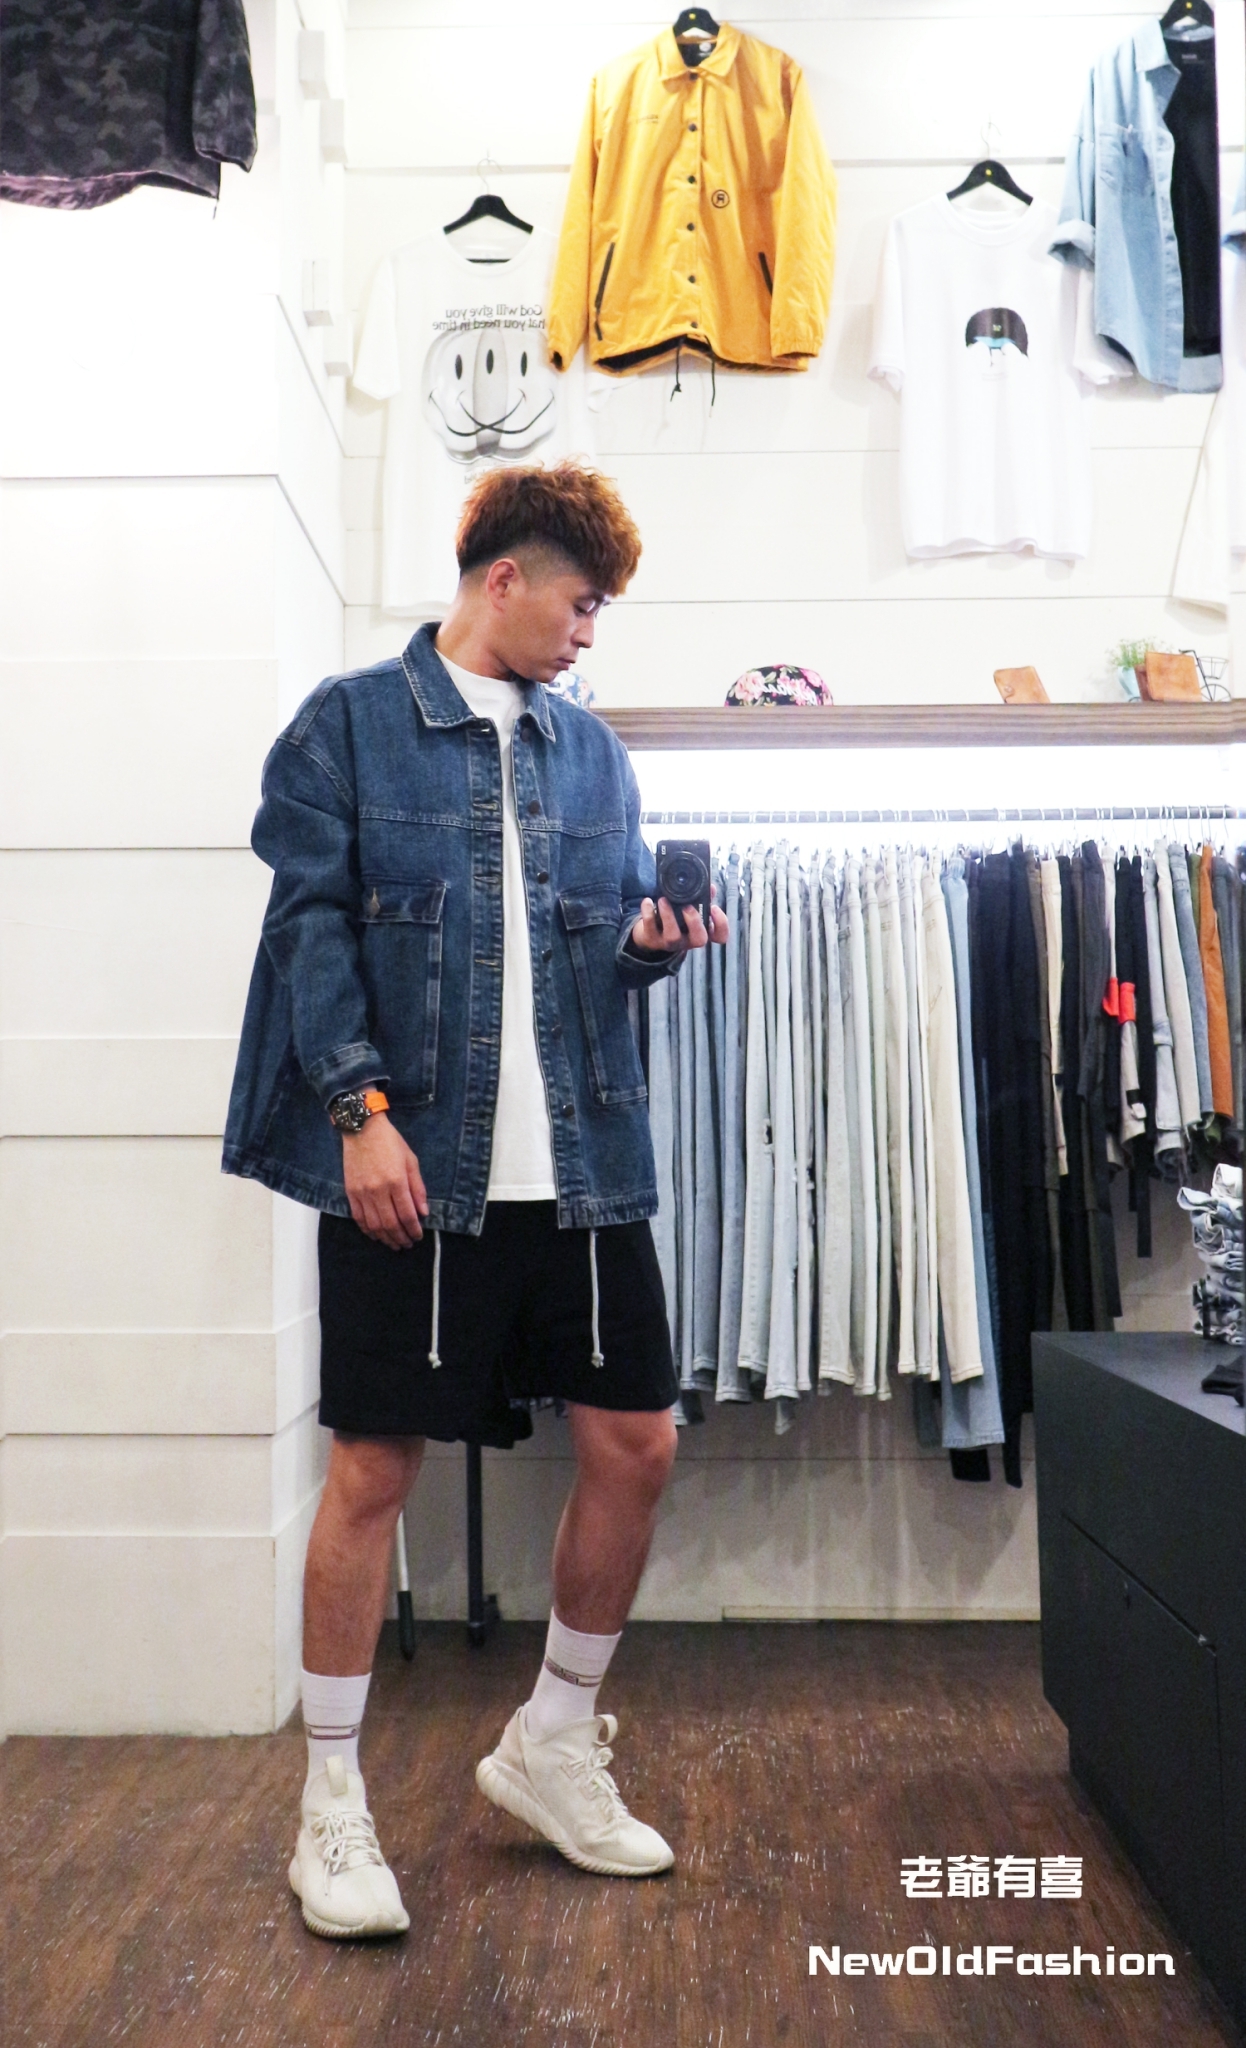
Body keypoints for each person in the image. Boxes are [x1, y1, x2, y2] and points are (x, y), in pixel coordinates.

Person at [222, 460, 728, 1940]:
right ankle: (329, 1803)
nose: (589, 635)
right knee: (374, 1470)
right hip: (413, 1165)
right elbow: (309, 935)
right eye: (580, 605)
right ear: (502, 577)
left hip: (583, 1166)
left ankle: (553, 1741)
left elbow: (598, 952)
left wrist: (652, 944)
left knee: (637, 1444)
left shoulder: (595, 755)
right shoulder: (347, 727)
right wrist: (358, 1114)